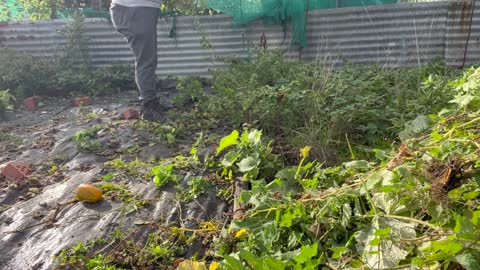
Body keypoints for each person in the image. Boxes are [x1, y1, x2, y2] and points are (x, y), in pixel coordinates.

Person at [110, 0, 165, 121]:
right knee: (146, 60)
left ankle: (150, 102)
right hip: (138, 9)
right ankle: (149, 108)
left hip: (132, 9)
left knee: (145, 58)